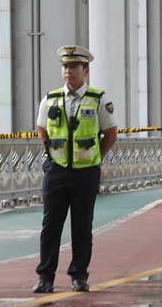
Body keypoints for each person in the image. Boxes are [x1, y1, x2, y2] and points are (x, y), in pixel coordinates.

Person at [33, 45, 119, 294]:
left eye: (73, 67)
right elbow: (42, 128)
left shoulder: (98, 98)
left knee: (82, 226)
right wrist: (53, 153)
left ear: (86, 70)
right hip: (57, 170)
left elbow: (111, 133)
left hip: (85, 173)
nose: (68, 71)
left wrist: (95, 158)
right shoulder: (50, 99)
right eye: (65, 67)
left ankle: (79, 275)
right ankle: (45, 277)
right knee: (51, 225)